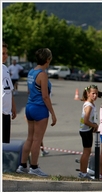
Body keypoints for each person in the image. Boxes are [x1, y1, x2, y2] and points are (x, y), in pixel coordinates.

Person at [16, 48, 56, 177]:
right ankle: (34, 166)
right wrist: (53, 114)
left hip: (29, 106)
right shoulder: (42, 74)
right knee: (37, 139)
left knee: (30, 138)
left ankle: (22, 165)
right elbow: (45, 96)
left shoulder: (31, 72)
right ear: (47, 60)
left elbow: (29, 91)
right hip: (39, 108)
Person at [78, 85, 102, 180]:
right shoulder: (88, 105)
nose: (95, 95)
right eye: (93, 93)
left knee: (87, 151)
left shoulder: (90, 104)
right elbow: (86, 121)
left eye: (96, 93)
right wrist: (95, 126)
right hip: (85, 130)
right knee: (86, 152)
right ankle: (83, 172)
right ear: (88, 94)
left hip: (87, 130)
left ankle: (83, 171)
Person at [2, 42, 17, 144]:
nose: (6, 55)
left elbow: (9, 90)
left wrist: (13, 107)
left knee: (5, 143)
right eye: (3, 53)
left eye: (6, 53)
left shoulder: (5, 68)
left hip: (6, 113)